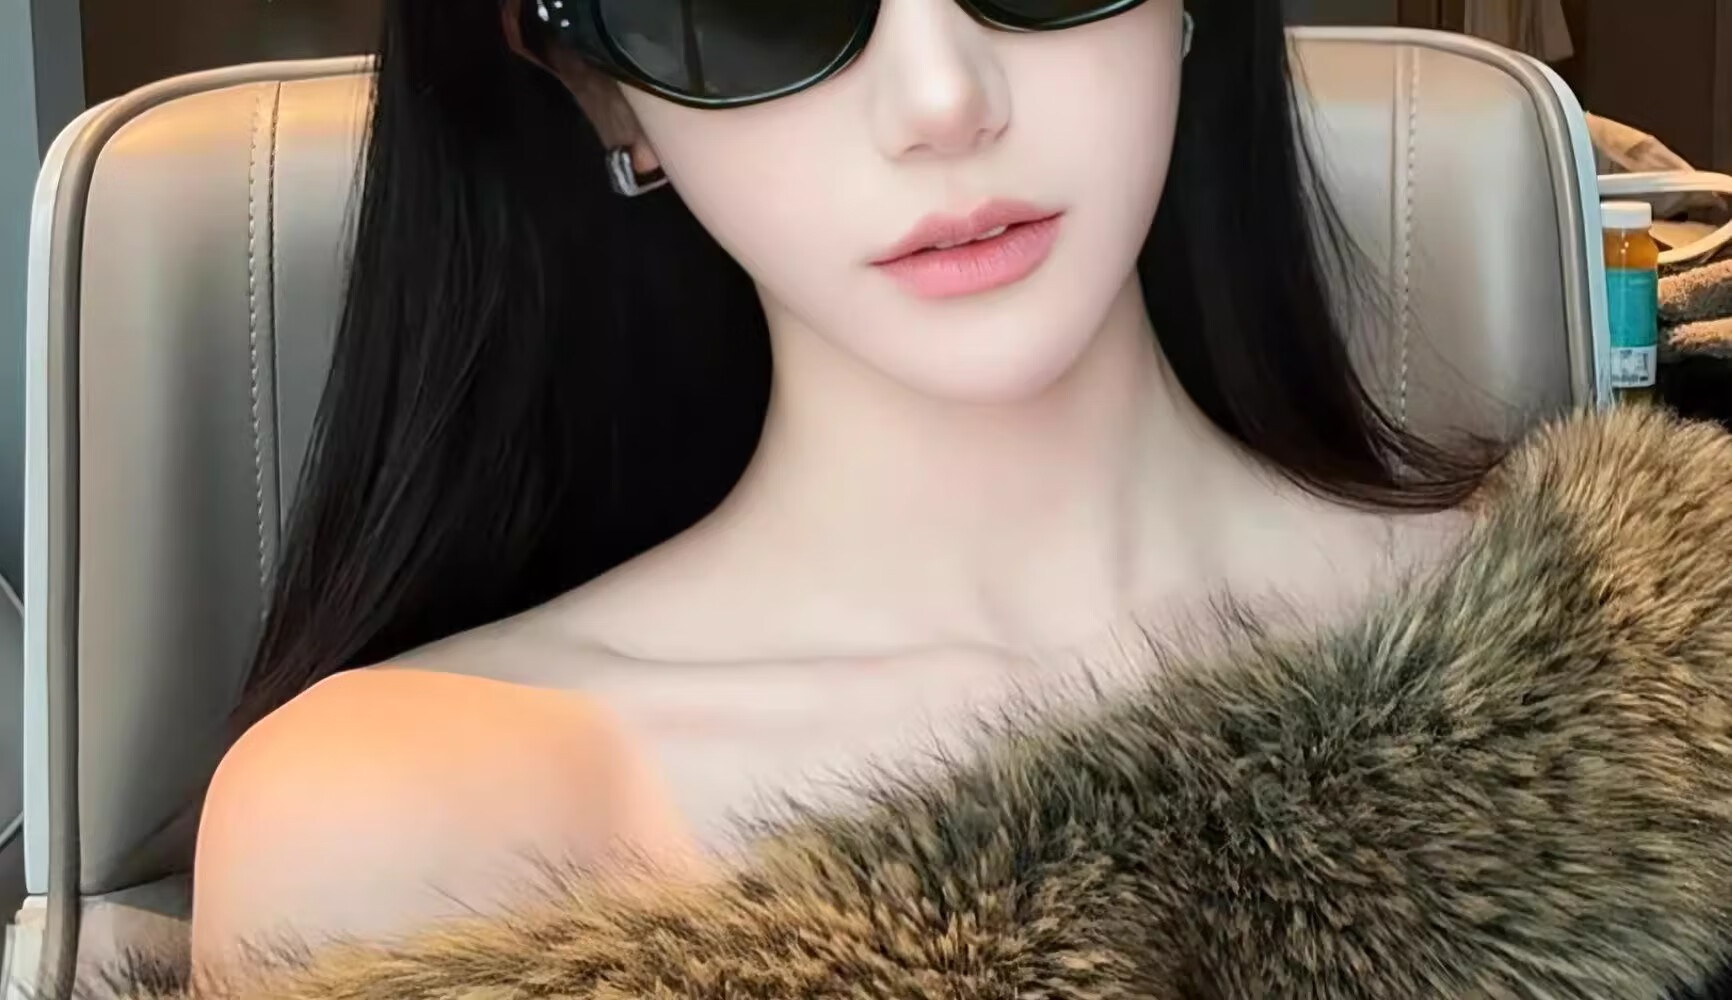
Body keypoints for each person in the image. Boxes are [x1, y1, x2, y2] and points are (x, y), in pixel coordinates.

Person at [186, 0, 1498, 977]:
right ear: (604, 90)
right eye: (757, 4)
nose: (943, 98)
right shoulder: (396, 825)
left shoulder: (1583, 625)